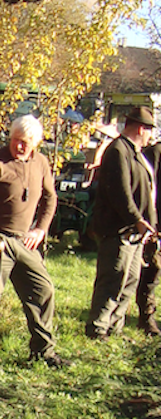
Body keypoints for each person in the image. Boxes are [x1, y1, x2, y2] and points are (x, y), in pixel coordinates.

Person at [0, 114, 69, 369]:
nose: (19, 146)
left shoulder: (41, 163)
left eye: (24, 142)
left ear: (35, 142)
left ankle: (43, 350)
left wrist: (41, 229)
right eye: (15, 140)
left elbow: (50, 198)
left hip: (25, 242)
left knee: (43, 290)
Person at [86, 106, 158, 340]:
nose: (150, 136)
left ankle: (114, 328)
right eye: (149, 130)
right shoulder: (118, 150)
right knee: (113, 278)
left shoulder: (134, 151)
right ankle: (98, 328)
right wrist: (136, 219)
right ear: (140, 128)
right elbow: (120, 192)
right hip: (119, 229)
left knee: (130, 280)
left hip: (135, 231)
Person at [135, 138, 161, 336]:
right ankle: (147, 317)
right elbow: (147, 190)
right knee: (152, 269)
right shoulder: (155, 153)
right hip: (156, 222)